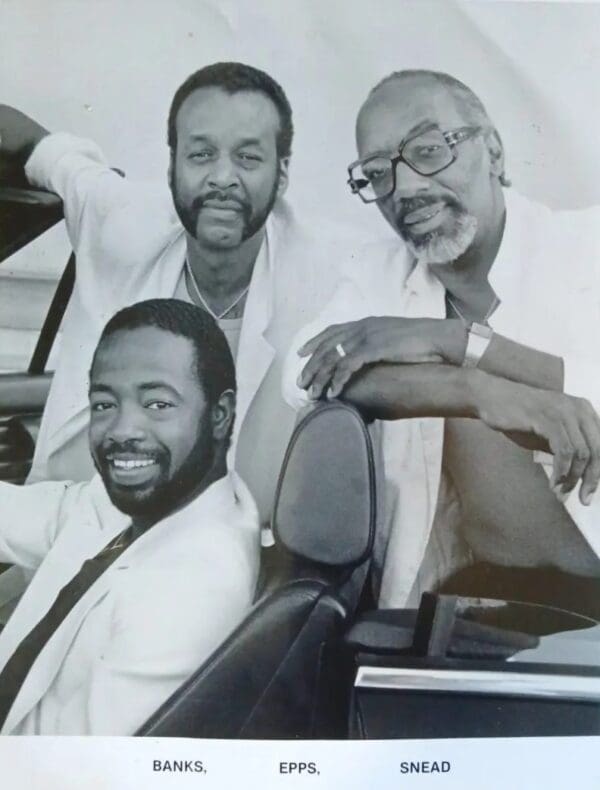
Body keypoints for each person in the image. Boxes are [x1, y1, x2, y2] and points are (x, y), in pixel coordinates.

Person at [284, 69, 600, 615]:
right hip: (463, 607)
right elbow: (304, 371)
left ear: (494, 153)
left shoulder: (585, 245)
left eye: (429, 151)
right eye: (378, 173)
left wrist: (457, 341)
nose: (405, 188)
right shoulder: (379, 274)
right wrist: (478, 393)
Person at [0, 61, 347, 527]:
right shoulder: (122, 220)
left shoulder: (334, 275)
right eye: (201, 154)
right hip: (75, 532)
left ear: (282, 174)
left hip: (231, 563)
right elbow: (37, 146)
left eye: (248, 157)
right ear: (171, 167)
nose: (222, 178)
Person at [0, 298, 259, 735]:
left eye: (157, 404)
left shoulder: (189, 589)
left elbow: (74, 774)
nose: (122, 430)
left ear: (219, 415)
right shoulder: (147, 505)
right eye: (104, 404)